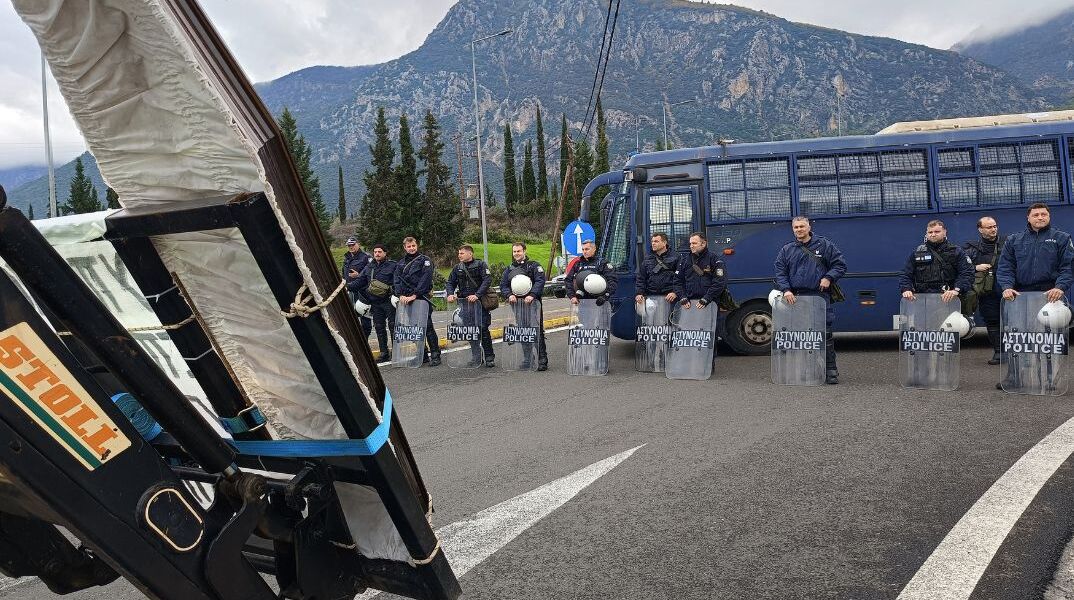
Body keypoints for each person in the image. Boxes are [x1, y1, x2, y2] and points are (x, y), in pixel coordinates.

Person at [996, 203, 1074, 388]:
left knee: (1046, 341)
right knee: (1017, 339)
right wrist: (1007, 287)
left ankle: (1048, 379)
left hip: (1050, 296)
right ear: (1028, 218)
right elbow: (1005, 267)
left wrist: (1060, 287)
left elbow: (1068, 267)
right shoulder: (1015, 240)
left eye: (1044, 214)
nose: (1040, 217)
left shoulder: (1061, 238)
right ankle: (1014, 378)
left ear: (1049, 216)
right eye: (1036, 215)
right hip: (1019, 297)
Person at [773, 216, 847, 384]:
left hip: (818, 296)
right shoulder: (787, 249)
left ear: (809, 227)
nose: (799, 229)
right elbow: (780, 272)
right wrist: (786, 290)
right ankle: (805, 370)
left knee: (824, 335)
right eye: (796, 227)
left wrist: (829, 277)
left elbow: (840, 265)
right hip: (795, 298)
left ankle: (830, 371)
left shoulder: (824, 245)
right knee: (801, 336)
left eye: (802, 226)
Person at [962, 216, 1006, 364]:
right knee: (992, 322)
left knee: (1014, 321)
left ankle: (1016, 352)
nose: (993, 229)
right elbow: (961, 266)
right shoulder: (971, 248)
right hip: (987, 293)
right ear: (980, 229)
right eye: (989, 227)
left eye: (995, 226)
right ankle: (999, 352)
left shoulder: (1008, 243)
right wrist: (976, 267)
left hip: (1009, 290)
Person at [898, 220, 973, 304]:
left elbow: (967, 273)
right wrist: (906, 289)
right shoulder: (917, 253)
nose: (933, 234)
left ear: (944, 232)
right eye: (930, 232)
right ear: (926, 234)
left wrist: (956, 290)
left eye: (937, 232)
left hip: (949, 299)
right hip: (923, 301)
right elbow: (905, 274)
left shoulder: (956, 251)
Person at [500, 242, 548, 371]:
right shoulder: (509, 269)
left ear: (524, 251)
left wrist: (532, 294)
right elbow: (503, 285)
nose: (516, 254)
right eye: (514, 251)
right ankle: (528, 359)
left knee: (536, 330)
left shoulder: (534, 266)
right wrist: (509, 294)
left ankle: (542, 359)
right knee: (523, 331)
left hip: (533, 304)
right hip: (517, 305)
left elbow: (540, 281)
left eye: (519, 251)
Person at [446, 244, 495, 368]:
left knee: (483, 330)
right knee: (471, 331)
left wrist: (477, 295)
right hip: (465, 304)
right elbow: (450, 282)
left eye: (461, 253)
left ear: (470, 254)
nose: (459, 255)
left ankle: (489, 357)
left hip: (479, 304)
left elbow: (487, 281)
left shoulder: (480, 265)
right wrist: (450, 294)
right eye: (459, 253)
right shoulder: (458, 268)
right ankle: (476, 358)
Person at [394, 236, 440, 366]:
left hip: (421, 298)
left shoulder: (425, 261)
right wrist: (400, 295)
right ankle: (422, 355)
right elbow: (396, 280)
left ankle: (436, 354)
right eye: (409, 246)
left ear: (417, 245)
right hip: (406, 300)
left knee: (428, 327)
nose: (411, 248)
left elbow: (425, 279)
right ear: (405, 248)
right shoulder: (400, 263)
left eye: (413, 245)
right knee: (415, 329)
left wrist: (415, 294)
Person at [351, 243, 397, 362]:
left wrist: (396, 294)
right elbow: (359, 281)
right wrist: (346, 286)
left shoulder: (393, 266)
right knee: (379, 328)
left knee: (393, 326)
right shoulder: (369, 267)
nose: (377, 254)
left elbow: (398, 282)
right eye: (375, 252)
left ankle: (396, 352)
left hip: (389, 301)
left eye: (380, 252)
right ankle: (384, 353)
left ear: (385, 253)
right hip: (375, 304)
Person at [674, 232, 726, 310]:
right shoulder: (684, 261)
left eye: (694, 243)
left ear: (703, 244)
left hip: (710, 304)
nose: (691, 246)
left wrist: (707, 298)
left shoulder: (714, 259)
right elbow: (677, 281)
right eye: (690, 243)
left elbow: (719, 282)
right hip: (689, 306)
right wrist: (682, 297)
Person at [564, 240, 618, 305]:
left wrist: (605, 296)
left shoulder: (602, 263)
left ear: (594, 249)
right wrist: (572, 296)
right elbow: (568, 280)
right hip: (582, 303)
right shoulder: (578, 264)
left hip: (600, 303)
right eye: (583, 249)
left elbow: (612, 280)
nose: (584, 252)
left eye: (587, 249)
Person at [635, 232, 679, 307]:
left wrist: (675, 292)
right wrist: (639, 293)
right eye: (652, 241)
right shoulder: (647, 259)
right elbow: (641, 278)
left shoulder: (676, 257)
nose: (653, 243)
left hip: (671, 299)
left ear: (664, 243)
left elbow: (681, 278)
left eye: (656, 241)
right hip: (652, 299)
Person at [342, 237, 373, 335]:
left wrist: (358, 275)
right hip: (350, 291)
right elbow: (344, 274)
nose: (351, 247)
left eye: (353, 245)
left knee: (365, 318)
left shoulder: (366, 257)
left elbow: (371, 274)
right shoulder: (347, 258)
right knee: (350, 318)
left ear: (358, 244)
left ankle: (366, 341)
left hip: (362, 292)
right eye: (349, 245)